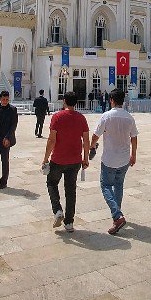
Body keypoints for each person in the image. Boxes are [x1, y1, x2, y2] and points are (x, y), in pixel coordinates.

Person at [42, 91, 90, 233]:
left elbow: (52, 140)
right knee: (70, 191)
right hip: (75, 160)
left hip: (58, 159)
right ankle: (69, 222)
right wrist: (85, 158)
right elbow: (86, 140)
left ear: (64, 101)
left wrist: (45, 158)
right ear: (76, 102)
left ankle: (57, 210)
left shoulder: (57, 117)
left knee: (51, 183)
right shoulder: (81, 118)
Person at [92, 88, 137, 235]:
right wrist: (133, 155)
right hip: (124, 158)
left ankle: (117, 216)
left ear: (111, 100)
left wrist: (92, 146)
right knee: (118, 186)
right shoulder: (129, 117)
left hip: (109, 158)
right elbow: (134, 137)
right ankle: (117, 215)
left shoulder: (106, 116)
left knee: (105, 185)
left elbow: (96, 135)